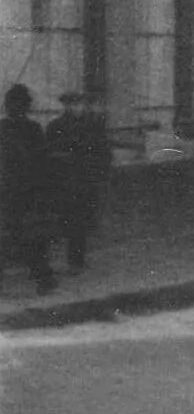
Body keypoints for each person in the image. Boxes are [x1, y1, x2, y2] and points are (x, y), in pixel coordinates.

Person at [44, 89, 115, 276]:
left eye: (78, 103)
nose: (75, 107)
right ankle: (72, 261)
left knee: (81, 222)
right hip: (65, 182)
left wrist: (99, 172)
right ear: (64, 106)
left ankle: (77, 260)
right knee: (69, 222)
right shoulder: (55, 126)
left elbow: (104, 152)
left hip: (86, 181)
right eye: (71, 104)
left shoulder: (92, 126)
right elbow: (48, 154)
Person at [1, 84, 60, 297]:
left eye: (19, 104)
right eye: (12, 104)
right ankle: (44, 277)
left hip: (22, 192)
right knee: (26, 237)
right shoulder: (12, 129)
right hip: (13, 191)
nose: (15, 108)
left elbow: (41, 162)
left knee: (27, 237)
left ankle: (44, 277)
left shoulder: (30, 129)